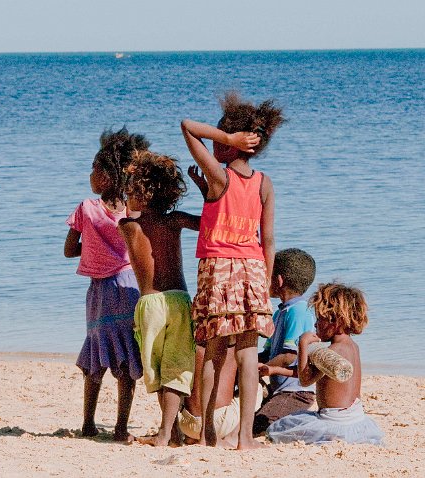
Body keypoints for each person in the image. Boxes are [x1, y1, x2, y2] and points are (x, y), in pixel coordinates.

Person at [181, 91, 285, 449]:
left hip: (218, 268)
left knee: (212, 350)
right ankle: (243, 436)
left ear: (235, 142)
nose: (214, 139)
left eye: (221, 136)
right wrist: (266, 282)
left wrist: (225, 138)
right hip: (254, 268)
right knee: (246, 353)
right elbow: (267, 239)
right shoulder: (264, 182)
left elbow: (187, 127)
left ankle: (209, 433)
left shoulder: (219, 175)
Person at [63, 127, 149, 441]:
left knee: (95, 355)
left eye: (94, 169)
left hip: (99, 291)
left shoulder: (86, 209)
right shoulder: (132, 211)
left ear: (106, 176)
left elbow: (69, 249)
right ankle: (121, 428)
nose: (90, 174)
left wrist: (93, 249)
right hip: (129, 288)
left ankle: (88, 423)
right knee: (127, 358)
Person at [118, 150, 199, 447]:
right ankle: (171, 431)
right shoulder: (175, 220)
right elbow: (207, 223)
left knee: (158, 369)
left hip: (150, 303)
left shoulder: (129, 227)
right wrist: (205, 191)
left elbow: (126, 211)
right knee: (176, 367)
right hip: (178, 300)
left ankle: (166, 432)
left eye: (131, 189)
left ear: (139, 194)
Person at [266, 283, 385, 445]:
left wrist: (302, 345)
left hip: (334, 420)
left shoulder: (331, 352)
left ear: (337, 322)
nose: (315, 325)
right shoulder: (351, 347)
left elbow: (305, 379)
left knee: (278, 429)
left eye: (320, 319)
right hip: (356, 419)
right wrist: (273, 369)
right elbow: (310, 372)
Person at [254, 248, 317, 435]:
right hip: (278, 390)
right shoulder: (280, 312)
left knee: (257, 427)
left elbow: (289, 356)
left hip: (295, 393)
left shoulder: (298, 311)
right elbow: (268, 352)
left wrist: (259, 368)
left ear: (279, 280)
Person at [178, 345, 265, 448]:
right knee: (257, 385)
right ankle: (234, 436)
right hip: (220, 424)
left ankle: (194, 436)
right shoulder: (234, 342)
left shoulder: (195, 339)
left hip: (184, 423)